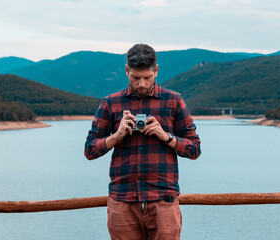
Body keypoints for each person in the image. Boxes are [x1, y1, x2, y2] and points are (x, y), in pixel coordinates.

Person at [84, 43, 201, 240]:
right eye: (135, 78)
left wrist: (166, 136)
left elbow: (194, 149)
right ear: (126, 70)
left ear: (156, 70)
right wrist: (117, 135)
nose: (141, 84)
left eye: (147, 78)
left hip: (163, 199)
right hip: (123, 200)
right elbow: (90, 150)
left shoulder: (173, 101)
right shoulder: (111, 103)